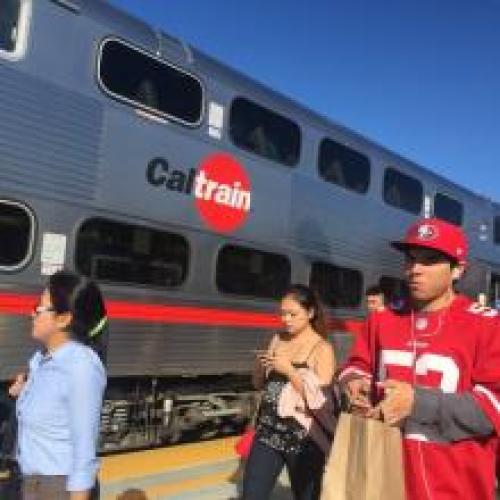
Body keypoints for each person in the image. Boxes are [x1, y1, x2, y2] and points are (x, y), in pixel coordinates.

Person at [339, 218, 500, 500]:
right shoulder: (381, 319)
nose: (414, 269)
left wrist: (418, 402)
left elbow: (494, 408)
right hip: (383, 478)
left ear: (457, 270)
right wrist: (354, 383)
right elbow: (356, 364)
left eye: (429, 260)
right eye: (410, 259)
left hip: (455, 487)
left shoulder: (488, 325)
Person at [11, 271, 107, 500]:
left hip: (56, 489)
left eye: (39, 307)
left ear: (64, 319)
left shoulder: (81, 367)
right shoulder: (43, 359)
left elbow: (84, 453)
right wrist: (23, 393)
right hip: (31, 484)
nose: (31, 312)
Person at [242, 285, 335, 500]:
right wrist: (259, 366)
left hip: (303, 440)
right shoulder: (277, 338)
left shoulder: (322, 349)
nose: (286, 319)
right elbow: (258, 384)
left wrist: (290, 371)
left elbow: (322, 403)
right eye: (282, 313)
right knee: (251, 494)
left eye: (293, 314)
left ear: (310, 313)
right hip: (267, 433)